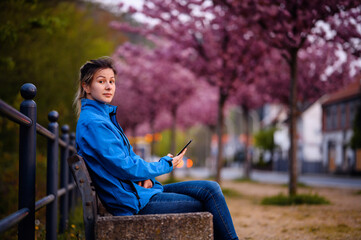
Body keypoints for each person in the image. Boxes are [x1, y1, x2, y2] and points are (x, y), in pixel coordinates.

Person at [74, 57, 239, 240]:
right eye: (101, 81)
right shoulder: (94, 123)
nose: (108, 86)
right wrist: (164, 165)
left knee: (210, 188)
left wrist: (147, 176)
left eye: (112, 81)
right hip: (132, 202)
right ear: (86, 87)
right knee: (207, 201)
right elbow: (124, 166)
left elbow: (126, 160)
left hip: (137, 193)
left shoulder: (101, 118)